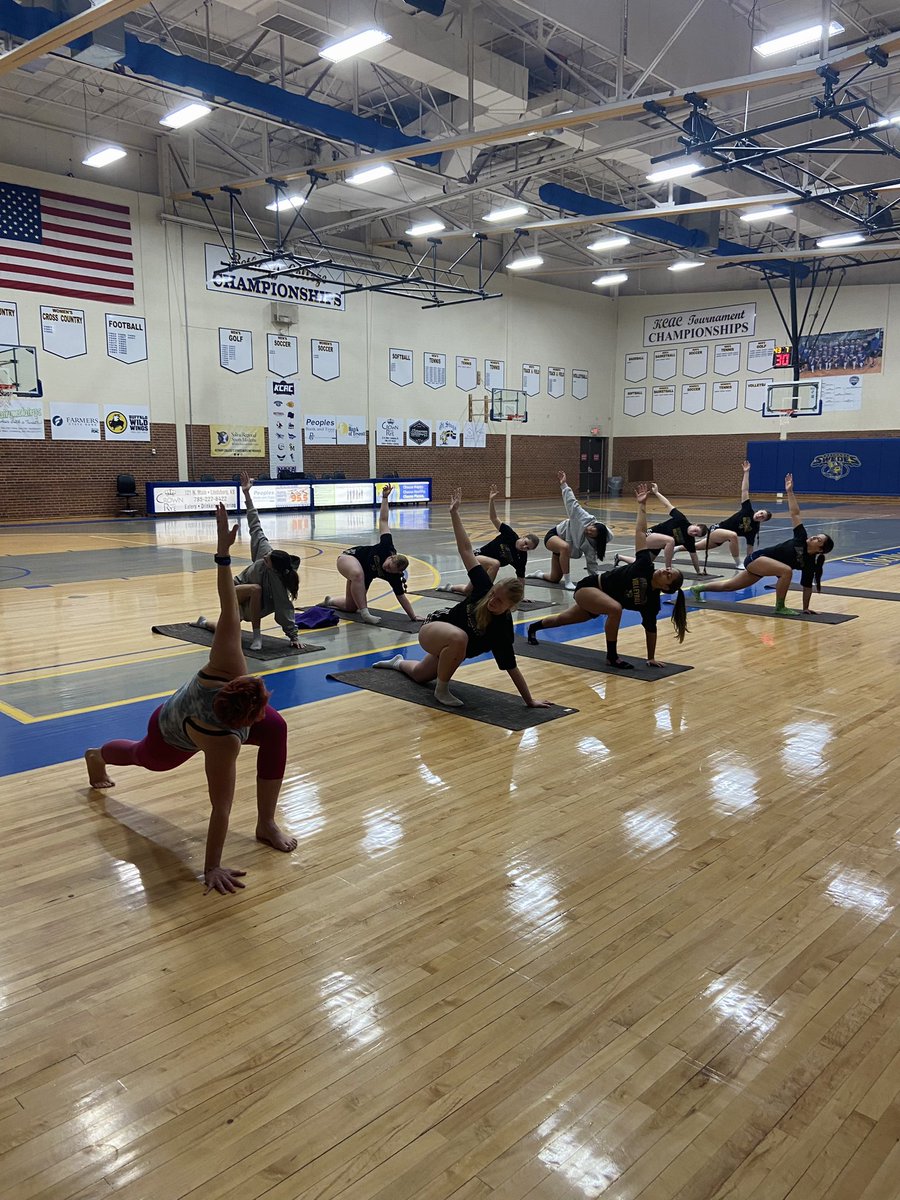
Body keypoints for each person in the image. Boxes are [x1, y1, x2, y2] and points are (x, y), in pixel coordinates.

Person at [85, 504, 296, 896]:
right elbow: (220, 808)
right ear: (241, 724)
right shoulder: (222, 744)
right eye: (261, 707)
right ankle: (96, 756)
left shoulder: (229, 663)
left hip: (206, 712)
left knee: (278, 727)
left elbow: (228, 602)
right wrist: (212, 867)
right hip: (169, 729)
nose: (265, 703)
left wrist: (222, 552)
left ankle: (266, 823)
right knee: (140, 757)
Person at [373, 489, 551, 708]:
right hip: (435, 628)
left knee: (420, 675)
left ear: (511, 607)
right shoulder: (483, 588)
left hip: (453, 648)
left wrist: (529, 700)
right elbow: (466, 550)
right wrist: (454, 514)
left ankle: (398, 663)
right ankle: (442, 690)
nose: (492, 600)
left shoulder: (502, 628)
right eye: (494, 594)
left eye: (499, 601)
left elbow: (511, 666)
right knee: (459, 638)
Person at [527, 484, 689, 669]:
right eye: (668, 569)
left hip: (600, 603)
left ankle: (533, 628)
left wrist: (651, 657)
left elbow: (651, 629)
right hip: (590, 588)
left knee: (561, 620)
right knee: (616, 609)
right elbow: (640, 533)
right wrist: (642, 506)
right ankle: (612, 657)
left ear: (666, 588)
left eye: (668, 575)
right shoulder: (645, 565)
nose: (665, 570)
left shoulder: (651, 603)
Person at [689, 474, 834, 615]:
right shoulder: (801, 537)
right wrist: (789, 491)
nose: (814, 537)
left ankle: (698, 589)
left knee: (729, 586)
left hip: (762, 567)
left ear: (820, 550)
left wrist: (805, 608)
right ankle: (780, 607)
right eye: (816, 536)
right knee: (786, 571)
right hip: (757, 559)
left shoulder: (810, 564)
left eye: (818, 540)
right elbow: (795, 513)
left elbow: (807, 587)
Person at [195, 472, 302, 652]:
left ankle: (203, 622)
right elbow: (255, 525)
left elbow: (285, 608)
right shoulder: (267, 552)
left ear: (275, 569)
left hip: (257, 602)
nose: (264, 559)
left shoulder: (279, 580)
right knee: (255, 589)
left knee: (229, 629)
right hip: (236, 589)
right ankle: (257, 636)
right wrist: (246, 494)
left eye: (266, 561)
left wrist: (293, 635)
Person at [323, 483, 421, 625]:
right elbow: (383, 520)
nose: (386, 569)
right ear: (391, 557)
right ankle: (365, 614)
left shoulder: (394, 576)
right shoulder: (386, 545)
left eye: (390, 571)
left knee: (351, 607)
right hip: (349, 558)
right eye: (387, 566)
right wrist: (385, 498)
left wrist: (413, 616)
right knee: (358, 574)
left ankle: (329, 601)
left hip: (361, 577)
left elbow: (401, 597)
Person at [445, 485, 539, 595]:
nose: (524, 547)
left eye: (528, 548)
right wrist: (491, 500)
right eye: (525, 543)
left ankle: (449, 587)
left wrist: (521, 597)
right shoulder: (510, 534)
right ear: (523, 537)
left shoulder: (521, 558)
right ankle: (487, 594)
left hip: (488, 568)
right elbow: (494, 518)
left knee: (468, 591)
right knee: (495, 564)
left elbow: (521, 579)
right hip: (477, 557)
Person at [527, 470, 612, 589]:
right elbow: (572, 503)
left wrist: (597, 581)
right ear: (594, 524)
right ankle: (567, 582)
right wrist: (564, 485)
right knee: (565, 547)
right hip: (554, 536)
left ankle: (538, 574)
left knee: (554, 578)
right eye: (590, 529)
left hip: (562, 549)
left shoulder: (592, 546)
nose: (588, 531)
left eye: (591, 534)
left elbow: (591, 563)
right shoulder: (584, 518)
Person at [681, 461, 772, 569]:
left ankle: (675, 548)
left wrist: (749, 562)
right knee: (732, 535)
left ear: (762, 521)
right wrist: (746, 472)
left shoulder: (754, 529)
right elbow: (744, 490)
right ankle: (738, 563)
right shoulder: (747, 509)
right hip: (716, 530)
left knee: (695, 546)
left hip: (722, 538)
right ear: (758, 511)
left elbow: (750, 547)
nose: (760, 516)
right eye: (761, 513)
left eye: (763, 517)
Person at [615, 483, 708, 574]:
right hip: (648, 535)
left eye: (696, 535)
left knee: (643, 564)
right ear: (695, 524)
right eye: (695, 530)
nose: (693, 533)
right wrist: (656, 492)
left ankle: (619, 557)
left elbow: (694, 556)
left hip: (658, 544)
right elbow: (667, 504)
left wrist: (698, 571)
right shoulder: (681, 520)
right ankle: (668, 568)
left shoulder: (689, 540)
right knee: (670, 541)